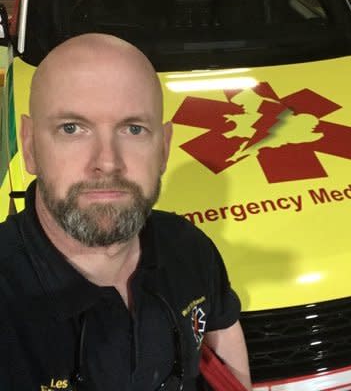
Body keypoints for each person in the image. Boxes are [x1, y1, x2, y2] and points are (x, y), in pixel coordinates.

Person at [0, 33, 252, 391]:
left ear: (163, 149)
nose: (107, 162)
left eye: (133, 129)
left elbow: (222, 331)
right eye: (72, 128)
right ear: (30, 147)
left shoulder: (188, 246)